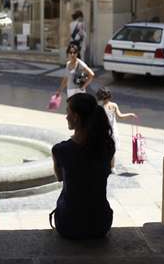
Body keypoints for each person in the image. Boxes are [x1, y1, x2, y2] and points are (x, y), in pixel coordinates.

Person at [51, 93, 115, 239]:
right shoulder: (108, 147)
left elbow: (60, 178)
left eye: (68, 112)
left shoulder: (60, 150)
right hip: (101, 223)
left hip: (69, 225)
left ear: (76, 117)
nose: (66, 117)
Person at [96, 87, 137, 173]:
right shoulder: (114, 105)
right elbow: (120, 116)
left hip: (103, 132)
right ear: (109, 96)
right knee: (112, 149)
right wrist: (130, 114)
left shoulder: (99, 107)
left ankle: (104, 166)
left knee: (103, 149)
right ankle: (112, 167)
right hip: (112, 131)